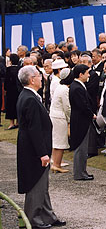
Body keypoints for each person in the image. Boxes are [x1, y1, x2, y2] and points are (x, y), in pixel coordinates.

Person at [17, 65, 66, 228]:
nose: (41, 78)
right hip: (33, 150)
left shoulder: (29, 95)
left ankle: (48, 215)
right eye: (39, 75)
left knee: (42, 185)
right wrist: (42, 153)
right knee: (35, 184)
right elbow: (34, 129)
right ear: (32, 79)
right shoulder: (29, 98)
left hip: (35, 148)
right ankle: (33, 219)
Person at [69, 64, 96, 181]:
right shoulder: (77, 87)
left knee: (82, 148)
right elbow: (82, 106)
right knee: (81, 147)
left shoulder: (78, 86)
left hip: (80, 120)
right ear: (81, 74)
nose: (89, 75)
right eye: (87, 73)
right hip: (80, 121)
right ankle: (79, 173)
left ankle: (82, 171)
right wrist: (91, 114)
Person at [49, 68, 74, 174]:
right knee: (60, 142)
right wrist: (69, 119)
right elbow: (67, 107)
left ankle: (55, 163)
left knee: (56, 141)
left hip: (54, 116)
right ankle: (57, 164)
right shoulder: (64, 89)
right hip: (60, 117)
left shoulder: (60, 87)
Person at [5, 53, 20, 129]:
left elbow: (6, 81)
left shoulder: (8, 70)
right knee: (17, 105)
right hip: (18, 91)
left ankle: (11, 123)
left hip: (10, 91)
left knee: (11, 106)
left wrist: (5, 88)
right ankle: (18, 122)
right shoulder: (20, 69)